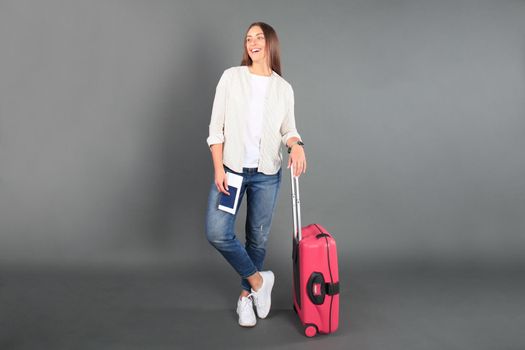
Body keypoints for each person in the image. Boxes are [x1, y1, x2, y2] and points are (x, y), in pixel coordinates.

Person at [205, 22, 306, 327]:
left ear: (271, 43)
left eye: (259, 37)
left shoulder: (282, 88)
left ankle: (245, 298)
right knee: (217, 232)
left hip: (266, 174)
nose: (252, 42)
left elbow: (288, 129)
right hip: (232, 171)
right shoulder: (231, 78)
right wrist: (219, 167)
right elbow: (215, 128)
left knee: (257, 240)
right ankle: (260, 282)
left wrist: (297, 145)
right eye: (248, 38)